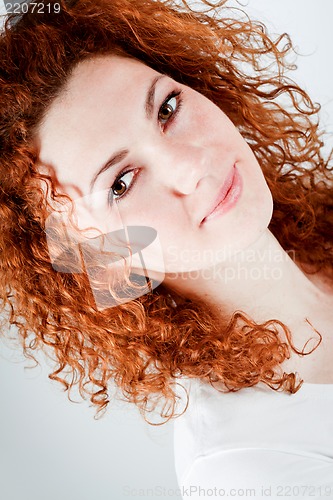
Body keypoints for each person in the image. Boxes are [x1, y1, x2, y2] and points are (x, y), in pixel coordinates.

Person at [0, 0, 332, 497]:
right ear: (93, 252)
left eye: (167, 108)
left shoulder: (320, 222)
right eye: (122, 182)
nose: (192, 166)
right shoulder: (251, 470)